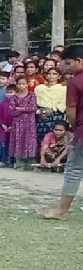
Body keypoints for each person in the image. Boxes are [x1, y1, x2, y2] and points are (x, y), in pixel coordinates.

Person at [41, 46, 83, 219]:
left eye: (68, 63)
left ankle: (61, 211)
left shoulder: (75, 81)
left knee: (74, 169)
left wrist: (74, 128)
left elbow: (71, 110)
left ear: (79, 61)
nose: (65, 67)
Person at [7, 76, 37, 169]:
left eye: (23, 84)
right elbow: (12, 111)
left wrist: (20, 108)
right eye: (19, 84)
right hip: (17, 123)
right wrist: (24, 110)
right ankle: (19, 162)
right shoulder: (14, 97)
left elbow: (33, 108)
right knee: (18, 140)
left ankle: (30, 161)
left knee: (29, 140)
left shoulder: (32, 95)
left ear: (27, 84)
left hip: (29, 122)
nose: (21, 86)